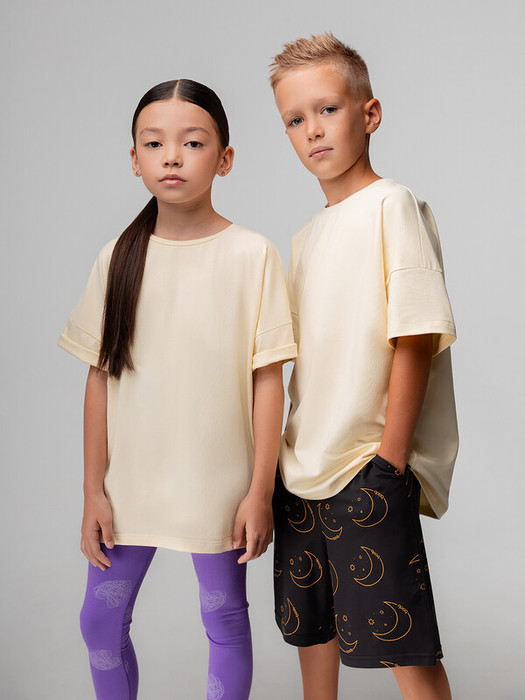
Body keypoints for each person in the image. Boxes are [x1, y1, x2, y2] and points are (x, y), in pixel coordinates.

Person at [58, 78, 296, 700]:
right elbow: (99, 380)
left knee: (225, 620)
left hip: (219, 485)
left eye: (192, 143)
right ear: (134, 159)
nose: (171, 157)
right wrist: (92, 490)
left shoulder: (253, 256)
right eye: (153, 143)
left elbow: (268, 382)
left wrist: (259, 492)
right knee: (100, 622)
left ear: (225, 158)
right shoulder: (117, 258)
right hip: (131, 486)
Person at [269, 34, 458, 700]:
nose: (313, 130)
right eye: (295, 119)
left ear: (369, 114)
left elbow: (415, 335)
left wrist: (390, 463)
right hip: (299, 471)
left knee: (404, 645)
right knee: (312, 635)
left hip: (364, 466)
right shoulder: (305, 236)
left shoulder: (392, 206)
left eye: (327, 109)